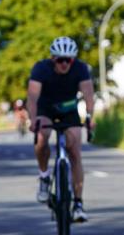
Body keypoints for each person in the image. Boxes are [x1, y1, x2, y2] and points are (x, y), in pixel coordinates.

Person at [27, 36, 94, 222]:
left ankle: (78, 203)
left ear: (73, 60)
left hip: (68, 110)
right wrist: (32, 119)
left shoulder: (80, 68)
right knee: (42, 138)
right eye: (60, 60)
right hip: (45, 108)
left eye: (68, 60)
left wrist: (89, 117)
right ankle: (44, 176)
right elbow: (32, 97)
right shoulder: (41, 68)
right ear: (53, 59)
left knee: (75, 152)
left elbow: (88, 95)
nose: (64, 64)